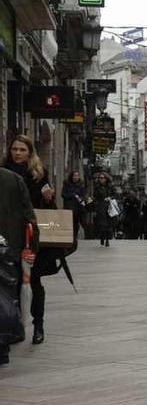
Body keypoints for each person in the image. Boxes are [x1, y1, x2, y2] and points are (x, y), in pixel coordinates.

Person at [1, 135, 54, 344]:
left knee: (34, 282)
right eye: (15, 149)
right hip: (8, 235)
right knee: (8, 283)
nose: (18, 153)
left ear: (30, 152)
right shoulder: (4, 171)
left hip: (30, 236)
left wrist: (48, 198)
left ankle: (38, 324)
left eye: (22, 150)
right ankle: (14, 327)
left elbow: (48, 211)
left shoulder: (39, 175)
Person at [0, 166, 37, 366]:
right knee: (6, 297)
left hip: (7, 249)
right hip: (8, 248)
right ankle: (3, 344)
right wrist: (32, 248)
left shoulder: (14, 179)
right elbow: (29, 218)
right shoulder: (13, 179)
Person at [62, 171, 87, 240]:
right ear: (71, 177)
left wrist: (80, 198)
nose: (76, 177)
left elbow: (84, 196)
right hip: (69, 207)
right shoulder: (67, 184)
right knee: (69, 223)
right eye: (74, 176)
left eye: (77, 176)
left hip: (78, 208)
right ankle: (70, 236)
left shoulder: (81, 185)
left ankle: (74, 236)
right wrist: (73, 196)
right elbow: (63, 194)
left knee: (76, 223)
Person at [93, 173, 114, 247]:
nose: (101, 179)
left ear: (106, 179)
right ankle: (102, 237)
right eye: (100, 178)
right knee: (102, 224)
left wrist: (110, 198)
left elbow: (115, 195)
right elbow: (95, 197)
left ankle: (107, 239)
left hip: (109, 207)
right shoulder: (97, 187)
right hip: (101, 206)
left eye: (102, 178)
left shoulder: (110, 187)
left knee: (108, 224)